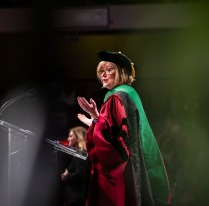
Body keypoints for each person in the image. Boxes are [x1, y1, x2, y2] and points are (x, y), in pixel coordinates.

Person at [76, 51, 171, 206]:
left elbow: (111, 139)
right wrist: (95, 117)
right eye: (101, 71)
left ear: (122, 72)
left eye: (109, 70)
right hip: (136, 160)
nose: (104, 75)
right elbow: (118, 128)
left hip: (125, 168)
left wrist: (94, 120)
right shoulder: (129, 93)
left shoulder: (117, 96)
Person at [60, 126, 90, 206]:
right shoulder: (80, 154)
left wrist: (67, 175)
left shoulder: (81, 154)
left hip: (76, 200)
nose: (67, 139)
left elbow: (80, 175)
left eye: (70, 136)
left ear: (78, 137)